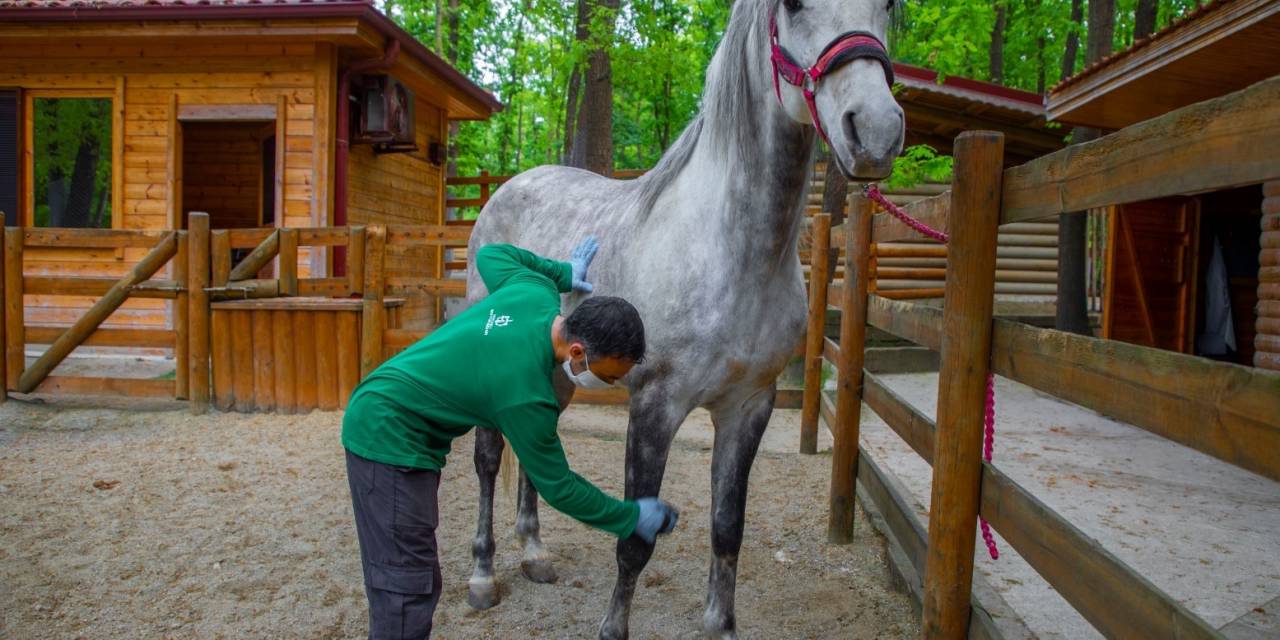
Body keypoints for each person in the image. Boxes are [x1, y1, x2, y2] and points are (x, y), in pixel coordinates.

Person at [341, 237, 680, 639]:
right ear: (576, 351)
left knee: (416, 576)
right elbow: (559, 487)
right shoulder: (527, 396)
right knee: (404, 589)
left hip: (392, 414)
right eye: (607, 375)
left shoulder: (534, 292)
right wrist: (629, 516)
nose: (607, 383)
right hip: (389, 436)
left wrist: (563, 272)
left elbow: (491, 255)